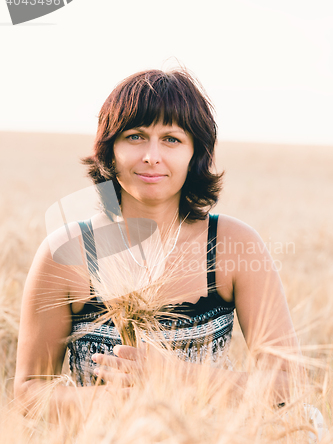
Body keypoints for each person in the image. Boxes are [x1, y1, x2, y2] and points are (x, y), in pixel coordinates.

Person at [14, 69, 302, 417]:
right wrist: (108, 403)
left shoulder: (233, 245)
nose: (152, 155)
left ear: (196, 152)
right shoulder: (67, 252)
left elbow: (289, 383)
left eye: (172, 139)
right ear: (111, 149)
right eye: (135, 137)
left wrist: (175, 377)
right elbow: (29, 391)